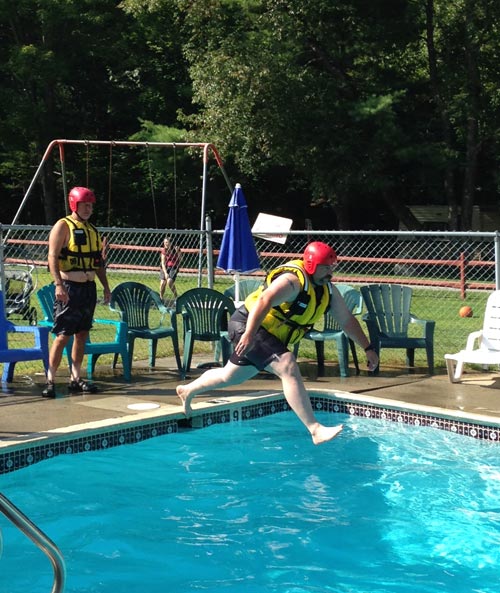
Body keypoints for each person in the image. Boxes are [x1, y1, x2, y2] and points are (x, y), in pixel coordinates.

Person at [177, 241, 379, 445]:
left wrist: (368, 348)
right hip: (248, 325)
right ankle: (315, 429)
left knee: (230, 376)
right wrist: (248, 333)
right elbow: (264, 301)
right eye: (326, 267)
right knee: (287, 365)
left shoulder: (328, 290)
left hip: (265, 334)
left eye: (332, 266)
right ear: (310, 265)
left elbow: (346, 320)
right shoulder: (292, 282)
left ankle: (187, 390)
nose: (330, 272)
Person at [42, 186, 111, 398]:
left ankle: (75, 378)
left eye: (91, 205)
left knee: (82, 334)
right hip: (69, 288)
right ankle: (51, 380)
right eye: (85, 205)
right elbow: (52, 257)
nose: (89, 209)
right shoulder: (63, 226)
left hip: (88, 289)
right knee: (63, 335)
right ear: (75, 204)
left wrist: (106, 287)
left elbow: (98, 263)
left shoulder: (92, 230)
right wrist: (58, 285)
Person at [159, 236, 181, 302]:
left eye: (167, 242)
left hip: (173, 267)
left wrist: (177, 252)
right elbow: (162, 263)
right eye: (165, 242)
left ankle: (176, 297)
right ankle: (161, 298)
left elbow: (180, 259)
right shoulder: (164, 250)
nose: (166, 244)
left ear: (171, 243)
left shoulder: (176, 249)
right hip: (165, 267)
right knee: (163, 282)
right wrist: (165, 273)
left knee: (169, 281)